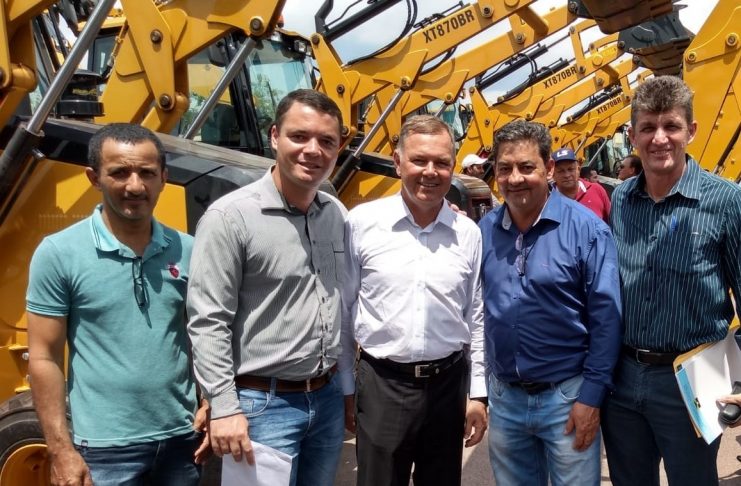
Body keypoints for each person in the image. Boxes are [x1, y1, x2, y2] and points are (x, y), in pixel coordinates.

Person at [27, 123, 207, 486]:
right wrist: (60, 450)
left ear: (164, 178)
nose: (135, 186)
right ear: (94, 177)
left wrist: (211, 401)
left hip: (181, 440)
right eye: (120, 173)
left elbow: (206, 335)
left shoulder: (188, 249)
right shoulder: (59, 253)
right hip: (104, 449)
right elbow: (44, 357)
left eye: (147, 173)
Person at [186, 89, 346, 486]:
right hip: (261, 406)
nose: (313, 150)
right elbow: (208, 321)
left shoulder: (335, 215)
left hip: (325, 399)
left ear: (338, 149)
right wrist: (223, 405)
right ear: (275, 136)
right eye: (299, 136)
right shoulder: (230, 218)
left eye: (326, 141)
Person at [602, 75, 741, 486]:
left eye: (671, 126)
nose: (659, 138)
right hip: (623, 378)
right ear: (632, 136)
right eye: (648, 127)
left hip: (692, 381)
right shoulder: (622, 199)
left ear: (691, 131)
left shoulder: (725, 201)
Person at [340, 114, 487, 486]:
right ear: (397, 161)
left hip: (448, 387)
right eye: (419, 160)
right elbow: (344, 310)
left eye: (441, 162)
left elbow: (476, 317)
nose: (430, 172)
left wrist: (478, 393)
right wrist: (346, 387)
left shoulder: (467, 234)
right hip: (382, 383)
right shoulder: (362, 224)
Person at [479, 120, 622, 486]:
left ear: (549, 168)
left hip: (567, 398)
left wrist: (591, 398)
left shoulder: (587, 230)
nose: (515, 178)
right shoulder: (484, 232)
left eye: (526, 167)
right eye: (505, 168)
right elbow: (475, 313)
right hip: (505, 399)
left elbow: (606, 320)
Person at [552, 147, 611, 222]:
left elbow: (612, 222)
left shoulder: (596, 190)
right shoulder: (547, 199)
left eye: (570, 169)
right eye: (561, 171)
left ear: (578, 170)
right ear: (553, 174)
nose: (567, 175)